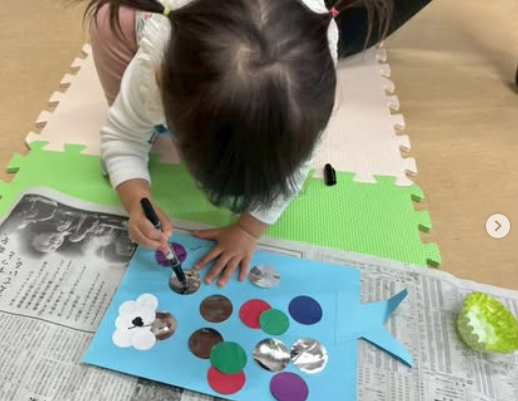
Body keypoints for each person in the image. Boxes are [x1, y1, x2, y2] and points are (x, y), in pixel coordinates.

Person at [85, 0, 432, 287]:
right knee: (110, 21)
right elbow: (122, 137)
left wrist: (247, 231)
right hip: (144, 28)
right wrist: (136, 199)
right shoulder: (153, 69)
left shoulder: (308, 81)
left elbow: (297, 167)